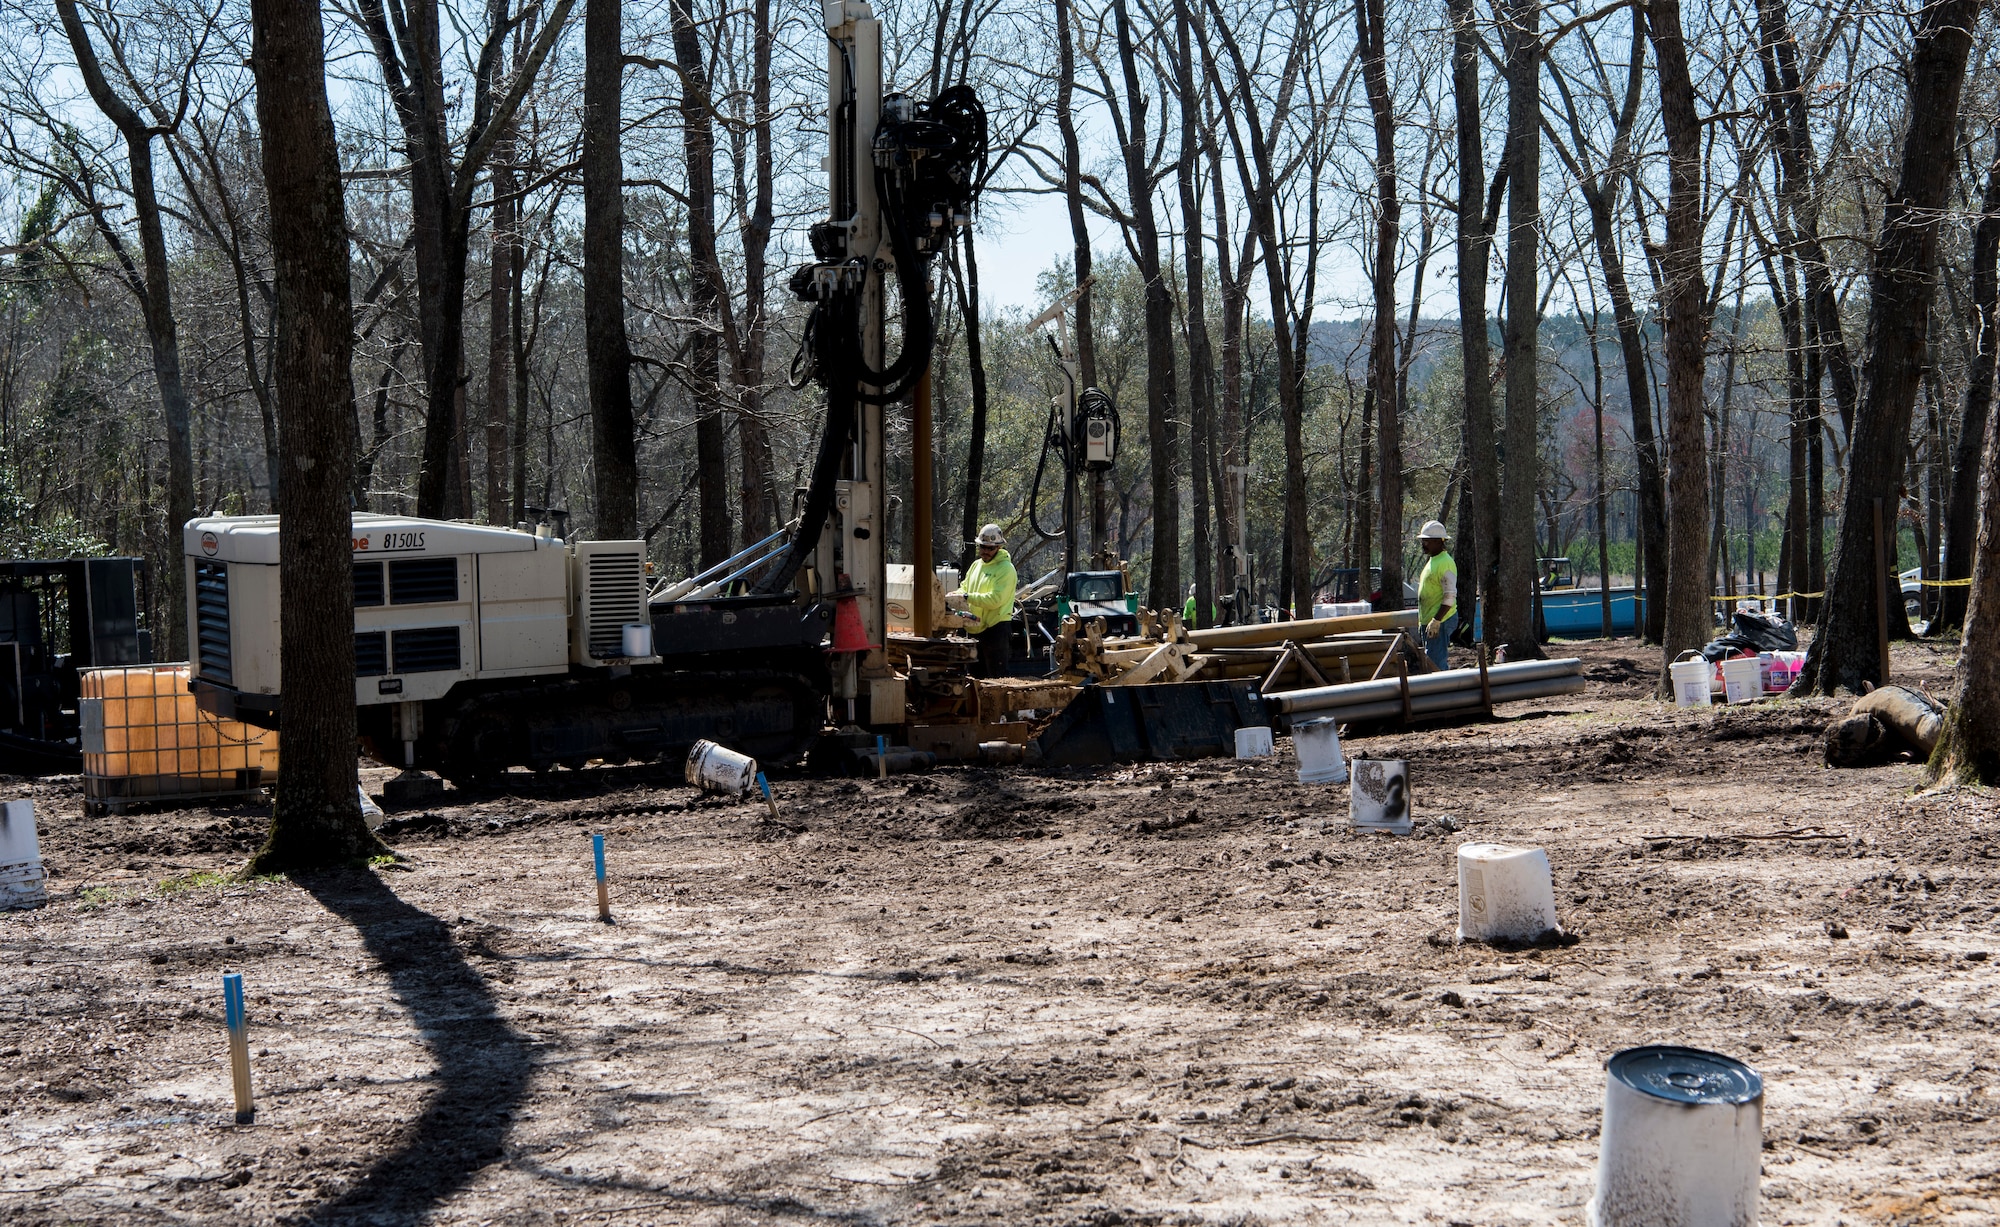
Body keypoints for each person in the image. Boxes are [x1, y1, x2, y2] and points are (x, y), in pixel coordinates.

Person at [948, 523, 1017, 678]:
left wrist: (967, 597)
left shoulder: (1006, 569)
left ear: (999, 547)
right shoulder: (976, 566)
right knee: (974, 679)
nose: (985, 551)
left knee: (997, 679)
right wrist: (956, 595)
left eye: (990, 548)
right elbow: (965, 587)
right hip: (974, 628)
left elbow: (995, 599)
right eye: (983, 547)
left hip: (995, 629)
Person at [1416, 519, 1457, 669]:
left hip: (1440, 620)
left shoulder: (1445, 562)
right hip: (1432, 621)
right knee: (1430, 661)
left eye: (1427, 541)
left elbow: (1450, 595)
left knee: (1435, 664)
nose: (1423, 544)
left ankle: (1443, 691)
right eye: (1423, 541)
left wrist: (1437, 620)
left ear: (1439, 541)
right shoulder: (1434, 561)